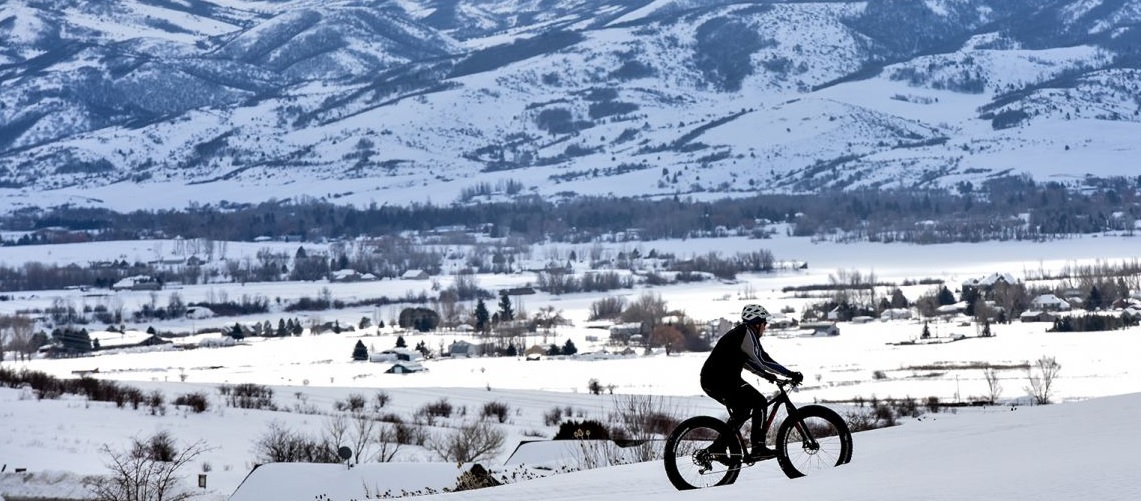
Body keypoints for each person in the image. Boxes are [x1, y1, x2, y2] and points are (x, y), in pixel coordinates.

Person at [700, 304, 803, 462]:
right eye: (764, 323)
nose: (765, 327)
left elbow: (750, 363)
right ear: (757, 323)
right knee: (760, 402)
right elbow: (762, 359)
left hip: (714, 380)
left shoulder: (741, 335)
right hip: (721, 380)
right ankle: (758, 448)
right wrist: (789, 373)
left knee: (743, 411)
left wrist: (770, 377)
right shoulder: (747, 333)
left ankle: (718, 447)